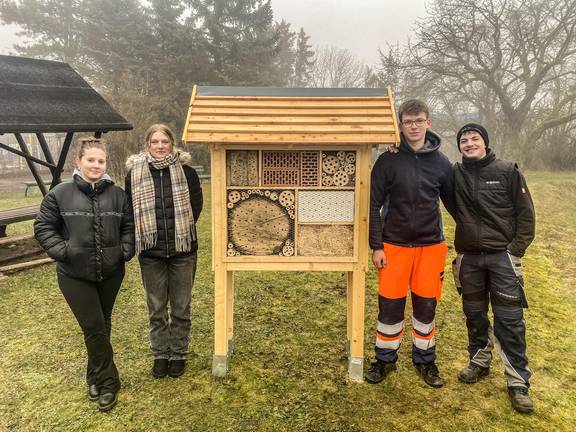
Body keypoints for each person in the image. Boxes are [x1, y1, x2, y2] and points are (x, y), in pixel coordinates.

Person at [34, 137, 134, 412]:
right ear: (78, 162)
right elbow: (43, 227)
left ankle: (94, 375)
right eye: (90, 160)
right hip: (74, 273)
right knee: (93, 325)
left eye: (101, 161)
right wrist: (64, 250)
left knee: (102, 324)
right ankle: (109, 382)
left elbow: (129, 225)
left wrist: (124, 249)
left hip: (111, 271)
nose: (96, 165)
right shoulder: (59, 194)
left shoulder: (118, 194)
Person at [365, 99, 455, 387]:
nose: (414, 126)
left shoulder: (442, 163)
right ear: (400, 125)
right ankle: (384, 360)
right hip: (394, 247)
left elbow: (455, 205)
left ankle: (425, 361)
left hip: (431, 247)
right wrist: (376, 245)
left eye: (419, 121)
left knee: (425, 308)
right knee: (389, 309)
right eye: (408, 122)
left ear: (428, 122)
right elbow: (373, 204)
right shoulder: (388, 159)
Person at [452, 123, 536, 413]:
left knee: (510, 320)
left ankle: (517, 382)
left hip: (502, 257)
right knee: (474, 314)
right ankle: (479, 361)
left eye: (475, 138)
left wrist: (515, 251)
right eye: (464, 140)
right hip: (470, 258)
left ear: (485, 143)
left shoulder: (508, 171)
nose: (469, 143)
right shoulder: (455, 174)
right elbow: (426, 165)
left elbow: (526, 215)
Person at [125, 124, 203, 379]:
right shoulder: (134, 174)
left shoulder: (187, 172)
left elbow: (196, 207)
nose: (160, 146)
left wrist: (180, 231)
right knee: (156, 309)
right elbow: (129, 211)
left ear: (172, 144)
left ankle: (178, 355)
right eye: (155, 141)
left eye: (164, 141)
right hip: (151, 254)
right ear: (147, 144)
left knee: (181, 308)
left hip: (183, 252)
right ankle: (160, 355)